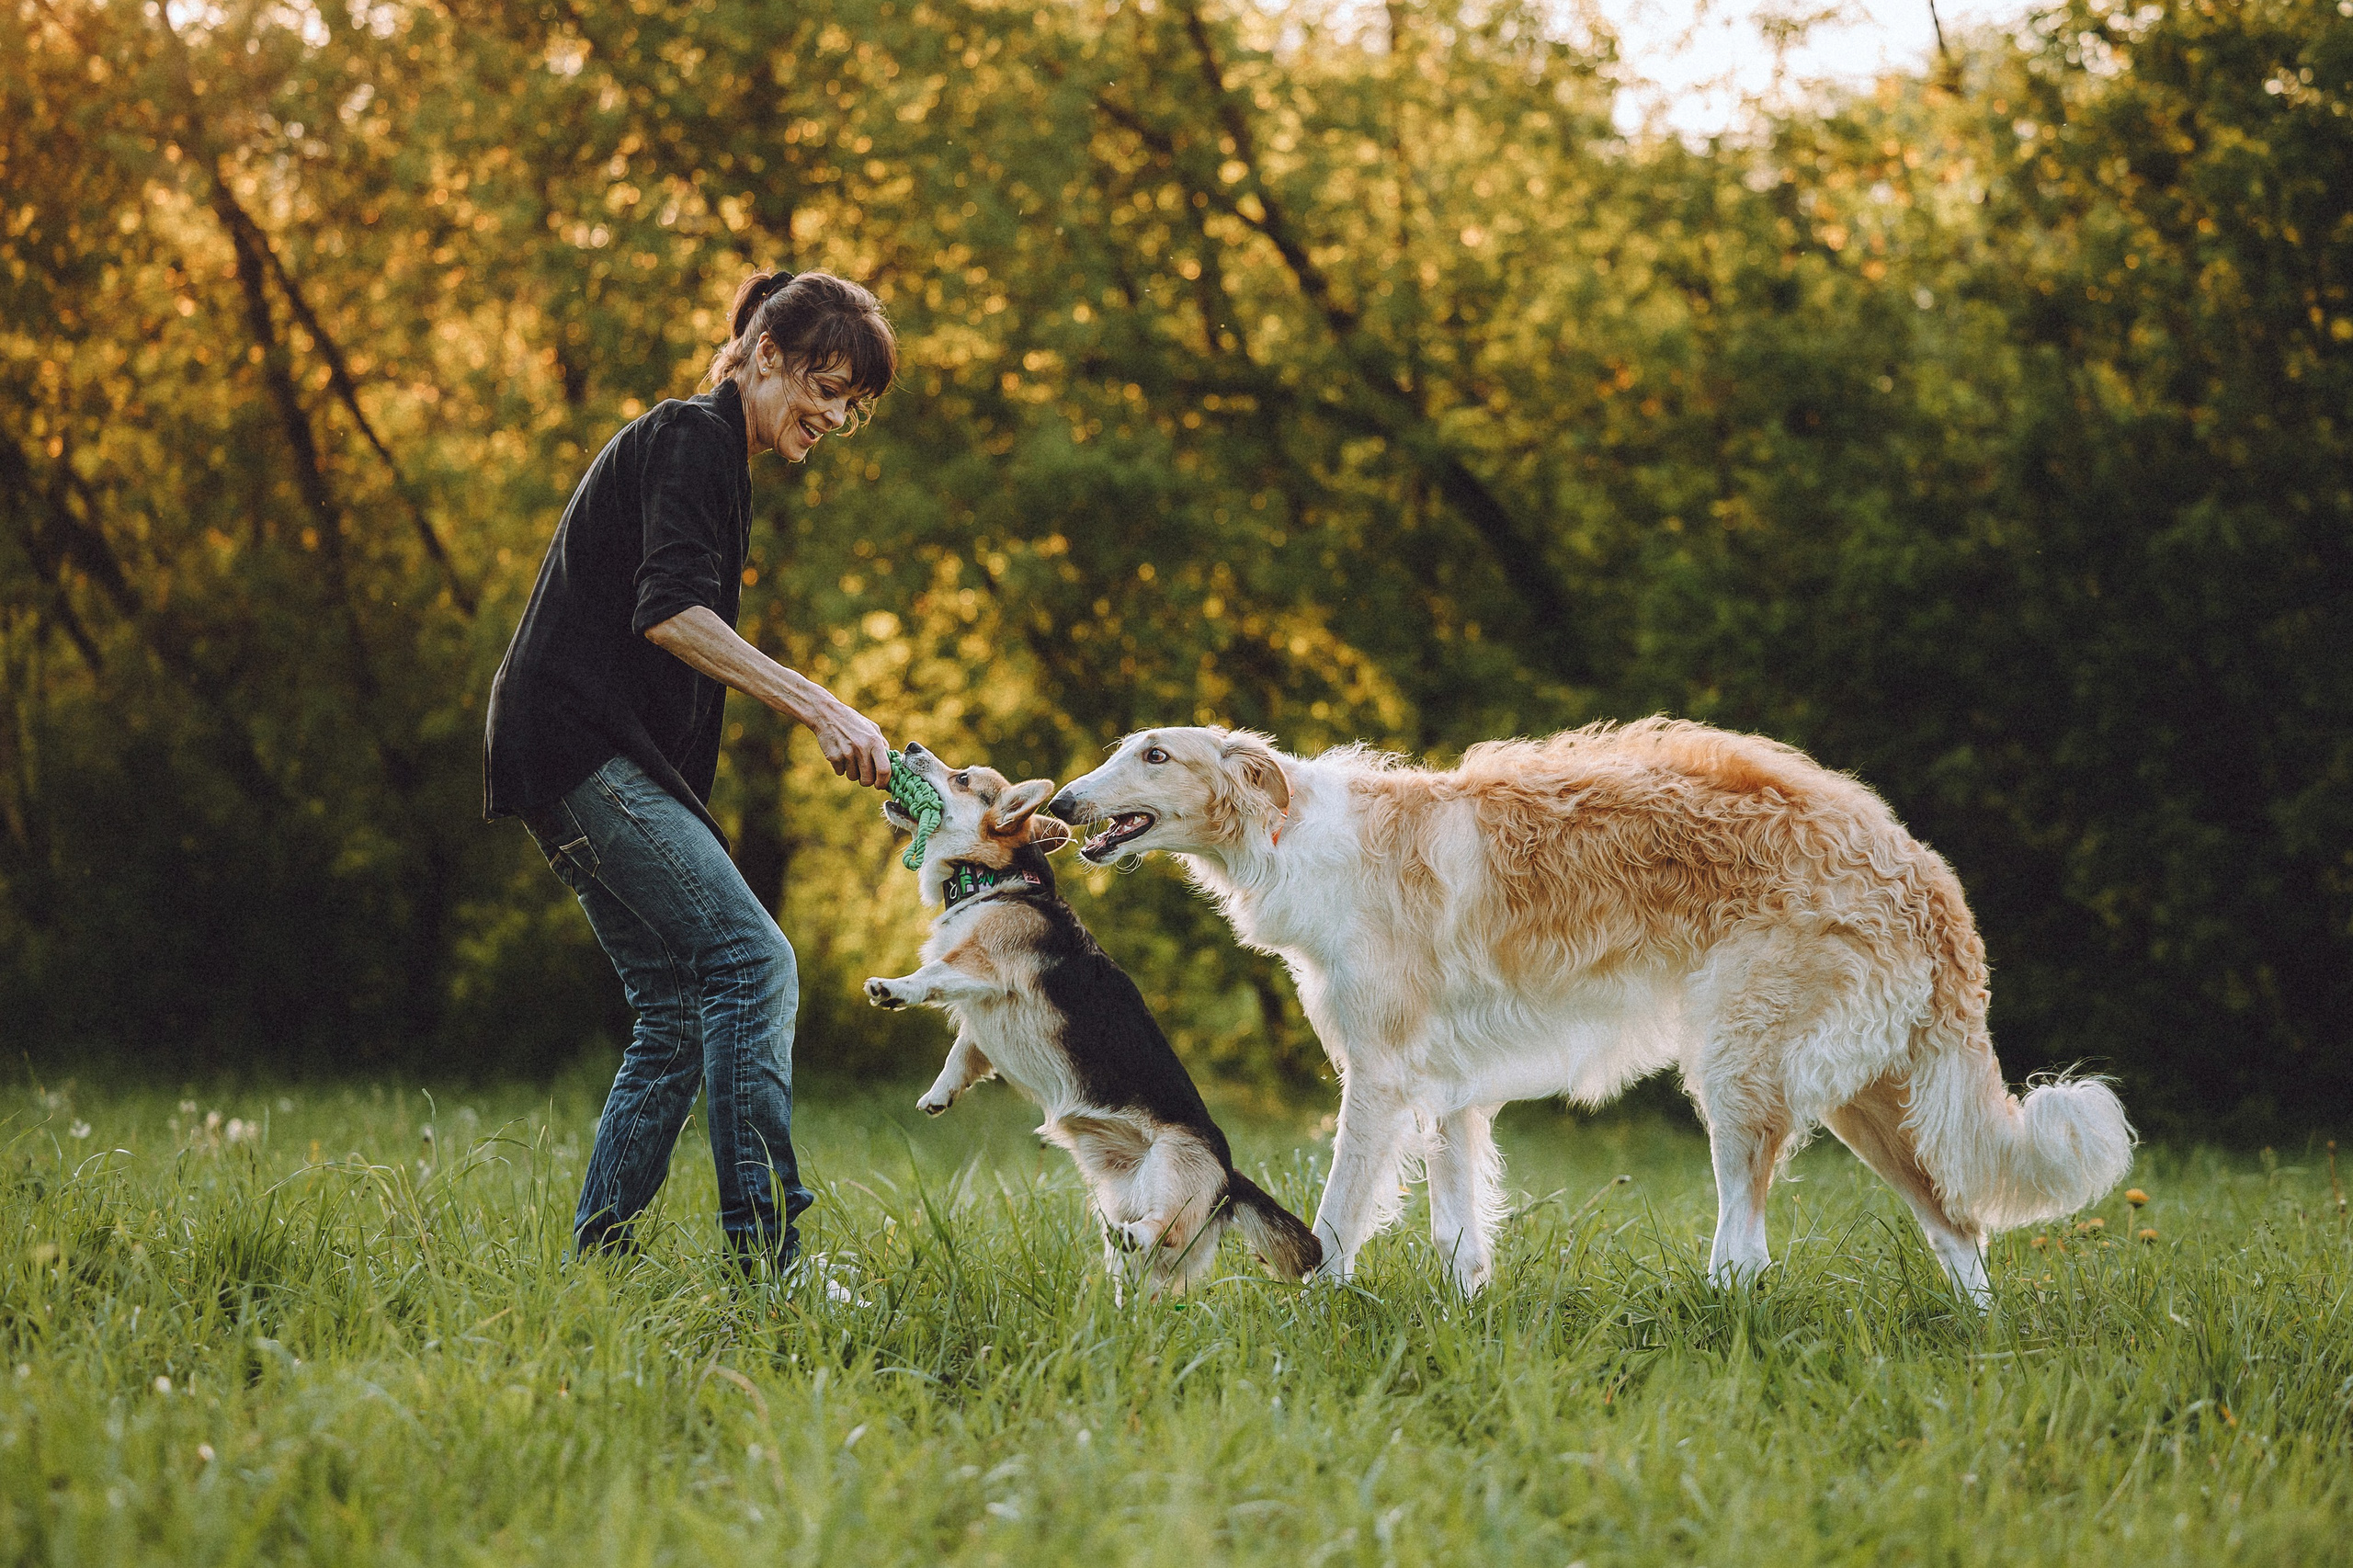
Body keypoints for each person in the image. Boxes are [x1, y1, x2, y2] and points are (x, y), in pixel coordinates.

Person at [483, 269, 897, 1275]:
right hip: (578, 744)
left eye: (850, 403)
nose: (833, 417)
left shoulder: (716, 457)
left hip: (563, 745)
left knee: (676, 1008)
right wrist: (820, 703)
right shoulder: (691, 437)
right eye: (824, 386)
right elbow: (669, 612)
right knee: (754, 965)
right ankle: (771, 1265)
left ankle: (599, 1267)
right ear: (762, 355)